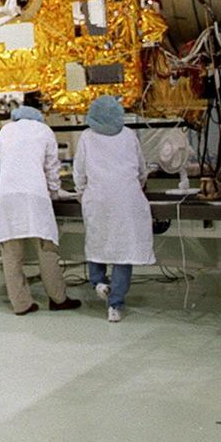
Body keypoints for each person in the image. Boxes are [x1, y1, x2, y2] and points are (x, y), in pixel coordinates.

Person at [0, 106, 82, 315]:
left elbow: (4, 161)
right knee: (46, 249)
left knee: (11, 255)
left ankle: (21, 304)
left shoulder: (4, 131)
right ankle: (58, 298)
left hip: (7, 196)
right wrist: (55, 190)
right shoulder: (44, 131)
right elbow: (51, 168)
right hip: (35, 195)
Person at [73, 95, 154, 323]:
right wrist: (135, 186)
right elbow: (141, 169)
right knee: (122, 251)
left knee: (97, 243)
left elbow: (79, 171)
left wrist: (82, 193)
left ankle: (98, 283)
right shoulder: (129, 135)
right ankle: (115, 305)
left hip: (97, 198)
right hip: (126, 199)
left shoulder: (87, 137)